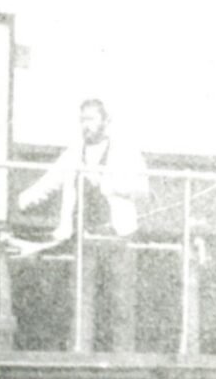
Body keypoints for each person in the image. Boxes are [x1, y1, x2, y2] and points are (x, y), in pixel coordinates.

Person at [17, 98, 148, 352]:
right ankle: (80, 357)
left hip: (117, 237)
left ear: (105, 122)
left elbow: (143, 189)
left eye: (91, 119)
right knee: (81, 303)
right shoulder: (73, 153)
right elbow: (49, 182)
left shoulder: (126, 151)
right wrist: (18, 202)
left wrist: (106, 183)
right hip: (84, 238)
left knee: (121, 304)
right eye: (82, 120)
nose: (85, 126)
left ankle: (123, 361)